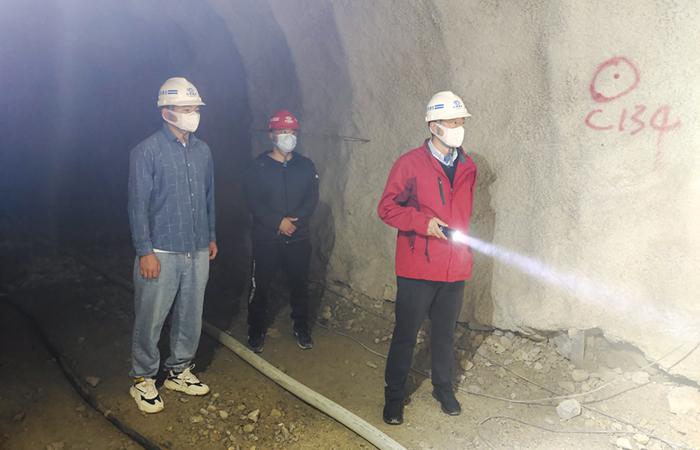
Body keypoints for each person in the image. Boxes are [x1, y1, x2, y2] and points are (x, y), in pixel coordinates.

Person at [377, 91, 477, 425]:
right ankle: (394, 397)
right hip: (418, 267)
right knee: (406, 334)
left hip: (454, 266)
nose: (458, 128)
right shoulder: (409, 164)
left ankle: (443, 389)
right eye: (452, 122)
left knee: (444, 334)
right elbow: (386, 208)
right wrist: (422, 223)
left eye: (461, 122)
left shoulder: (468, 166)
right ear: (434, 126)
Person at [127, 77, 217, 413]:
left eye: (195, 109)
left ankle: (180, 370)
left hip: (196, 247)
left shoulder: (202, 151)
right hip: (161, 250)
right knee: (151, 316)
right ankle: (143, 378)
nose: (193, 115)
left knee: (191, 314)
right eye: (186, 109)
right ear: (167, 112)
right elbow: (137, 205)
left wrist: (210, 235)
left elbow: (208, 198)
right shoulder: (147, 151)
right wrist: (145, 251)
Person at [243, 110, 319, 353]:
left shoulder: (305, 166)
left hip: (298, 237)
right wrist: (278, 222)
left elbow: (311, 198)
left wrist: (296, 222)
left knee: (300, 285)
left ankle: (301, 328)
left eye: (292, 131)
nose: (289, 136)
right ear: (271, 135)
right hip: (267, 238)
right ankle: (256, 330)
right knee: (261, 286)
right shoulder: (258, 167)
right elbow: (254, 201)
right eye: (283, 131)